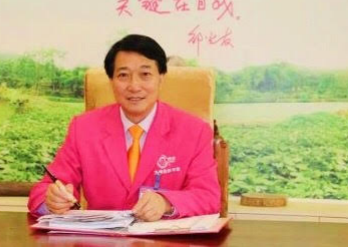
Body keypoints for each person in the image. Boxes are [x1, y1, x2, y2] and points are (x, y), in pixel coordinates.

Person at [28, 34, 220, 221]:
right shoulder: (84, 128)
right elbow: (44, 190)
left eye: (145, 75)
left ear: (161, 78)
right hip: (101, 238)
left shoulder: (194, 131)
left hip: (164, 237)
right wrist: (52, 200)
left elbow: (208, 196)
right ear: (111, 81)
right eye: (123, 75)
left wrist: (166, 203)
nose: (134, 86)